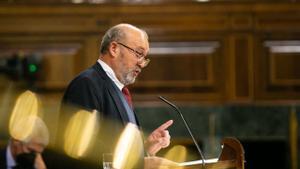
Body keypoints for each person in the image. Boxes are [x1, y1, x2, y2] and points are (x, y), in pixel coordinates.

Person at [60, 23, 175, 169]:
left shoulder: (119, 91)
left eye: (144, 58)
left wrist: (145, 150)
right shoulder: (87, 84)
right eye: (138, 54)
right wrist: (141, 165)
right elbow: (79, 154)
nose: (141, 63)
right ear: (114, 48)